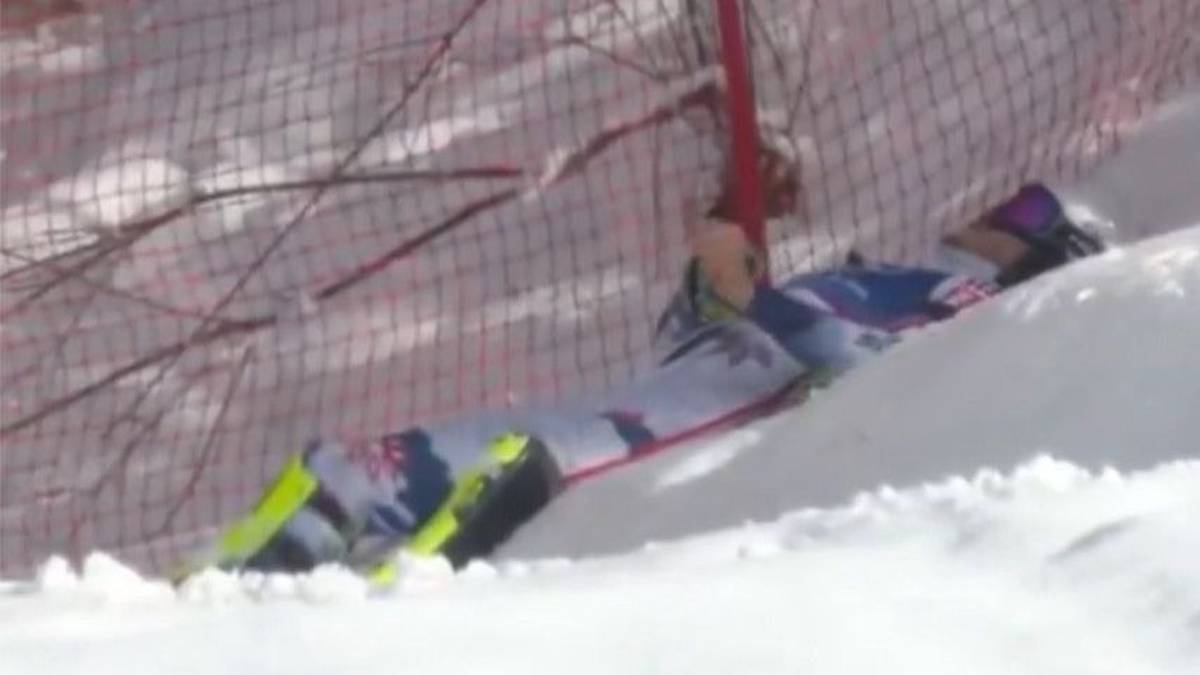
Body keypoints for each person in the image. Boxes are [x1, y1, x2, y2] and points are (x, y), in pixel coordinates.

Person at [179, 181, 1104, 583]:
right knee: (368, 467)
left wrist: (760, 300)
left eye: (1026, 210)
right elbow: (691, 342)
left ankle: (359, 622)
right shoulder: (895, 271)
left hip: (678, 435)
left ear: (1044, 255)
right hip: (649, 400)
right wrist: (714, 290)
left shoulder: (965, 302)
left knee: (503, 473)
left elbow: (876, 376)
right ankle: (234, 591)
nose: (996, 210)